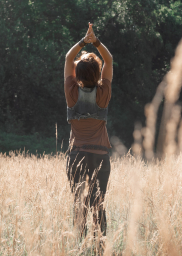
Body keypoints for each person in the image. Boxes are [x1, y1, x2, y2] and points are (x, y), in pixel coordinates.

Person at [65, 23, 113, 243]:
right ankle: (99, 247)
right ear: (98, 73)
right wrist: (97, 43)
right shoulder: (103, 94)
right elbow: (109, 61)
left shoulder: (72, 93)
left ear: (77, 73)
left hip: (77, 155)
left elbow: (68, 59)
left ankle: (79, 246)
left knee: (80, 204)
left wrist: (84, 42)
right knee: (98, 203)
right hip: (101, 157)